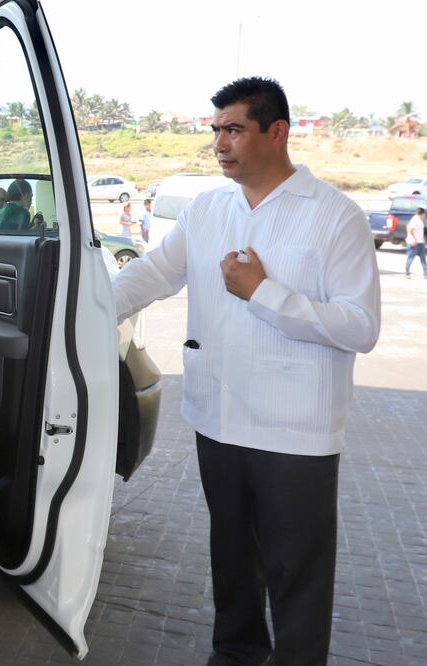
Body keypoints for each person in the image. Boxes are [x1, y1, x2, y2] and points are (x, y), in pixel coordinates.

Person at [112, 77, 380, 665]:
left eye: (234, 130)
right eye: (216, 131)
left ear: (277, 133)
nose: (220, 144)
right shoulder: (209, 209)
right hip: (217, 421)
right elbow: (154, 273)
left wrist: (264, 293)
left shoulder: (335, 217)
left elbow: (361, 327)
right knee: (232, 563)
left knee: (296, 577)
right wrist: (78, 312)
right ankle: (234, 655)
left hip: (294, 435)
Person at [405, 206, 426, 278]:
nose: (424, 216)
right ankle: (407, 273)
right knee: (410, 258)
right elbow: (411, 229)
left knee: (423, 259)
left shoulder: (417, 219)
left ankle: (425, 273)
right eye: (424, 214)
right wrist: (414, 240)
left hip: (420, 242)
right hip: (414, 243)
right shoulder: (415, 220)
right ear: (422, 213)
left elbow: (407, 226)